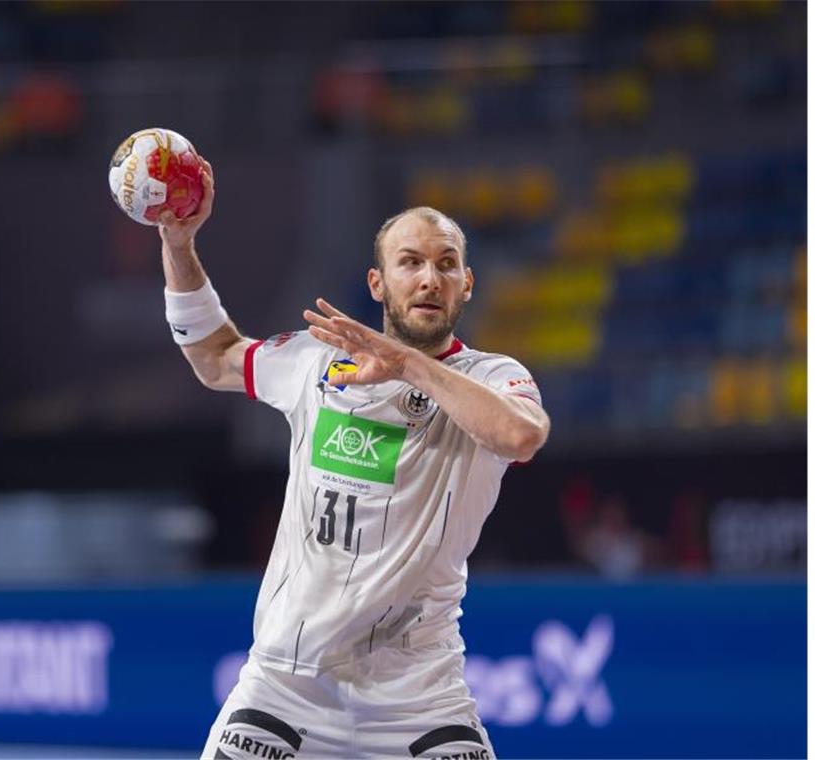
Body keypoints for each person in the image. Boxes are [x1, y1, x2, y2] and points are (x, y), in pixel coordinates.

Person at [156, 159, 550, 759]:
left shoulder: (491, 377)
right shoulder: (317, 359)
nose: (429, 278)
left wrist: (407, 364)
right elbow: (215, 359)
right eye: (411, 262)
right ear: (376, 282)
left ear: (467, 284)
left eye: (447, 264)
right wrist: (179, 245)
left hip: (419, 697)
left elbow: (521, 436)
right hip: (287, 685)